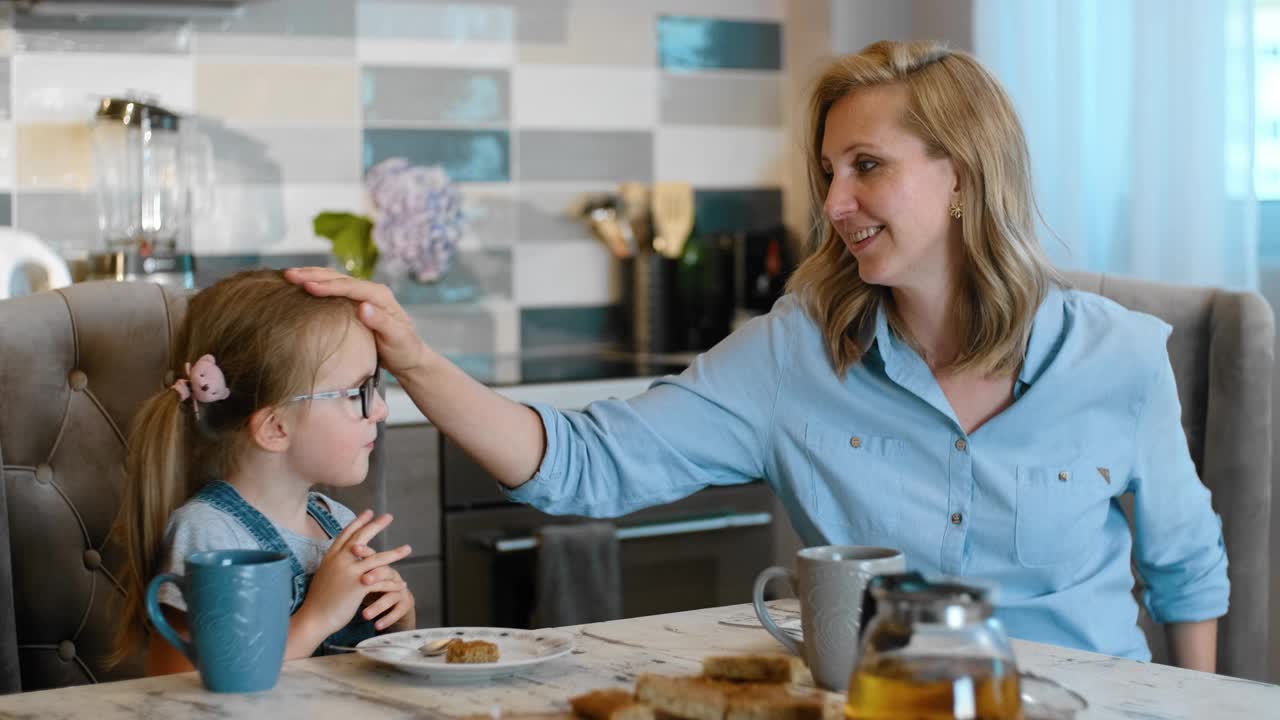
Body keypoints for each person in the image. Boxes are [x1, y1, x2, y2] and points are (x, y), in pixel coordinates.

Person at [286, 40, 1227, 671]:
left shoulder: (1119, 358)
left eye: (866, 166)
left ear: (962, 175)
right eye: (827, 174)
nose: (834, 203)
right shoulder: (795, 357)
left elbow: (1187, 570)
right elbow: (583, 464)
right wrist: (412, 357)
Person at [110, 269, 416, 675]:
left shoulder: (337, 525)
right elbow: (177, 682)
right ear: (276, 428)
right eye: (357, 392)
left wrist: (397, 622)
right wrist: (318, 616)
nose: (379, 410)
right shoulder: (209, 537)